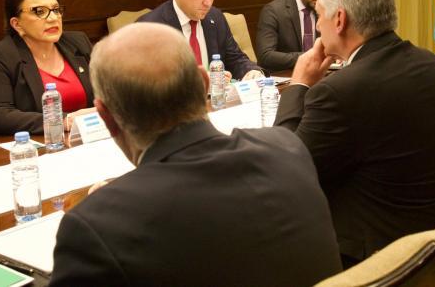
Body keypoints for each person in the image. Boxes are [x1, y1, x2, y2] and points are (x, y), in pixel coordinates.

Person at [49, 23, 342, 287]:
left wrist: (108, 204)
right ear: (205, 83)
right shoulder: (286, 148)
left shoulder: (95, 225)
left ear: (104, 115)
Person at [274, 0, 435, 275]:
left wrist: (298, 85)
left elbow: (287, 174)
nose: (318, 25)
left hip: (405, 266)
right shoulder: (428, 63)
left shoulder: (340, 91)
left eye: (319, 14)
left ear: (339, 19)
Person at [0, 0, 93, 135]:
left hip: (85, 138)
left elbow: (109, 92)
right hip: (29, 144)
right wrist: (64, 121)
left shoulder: (78, 42)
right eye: (39, 11)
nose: (53, 18)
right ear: (17, 24)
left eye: (56, 10)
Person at [138, 0, 262, 80]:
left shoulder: (216, 17)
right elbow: (148, 80)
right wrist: (199, 80)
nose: (208, 3)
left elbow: (235, 59)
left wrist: (251, 71)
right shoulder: (150, 27)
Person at [256, 0, 328, 71]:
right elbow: (265, 56)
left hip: (322, 74)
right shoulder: (273, 11)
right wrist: (309, 57)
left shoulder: (324, 9)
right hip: (287, 75)